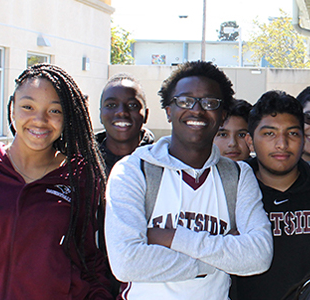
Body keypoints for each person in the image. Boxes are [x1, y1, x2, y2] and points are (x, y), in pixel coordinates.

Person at [0, 63, 114, 299]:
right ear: (12, 109)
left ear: (67, 118)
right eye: (28, 107)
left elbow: (92, 263)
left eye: (55, 111)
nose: (39, 120)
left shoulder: (81, 177)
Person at [104, 61, 272, 299]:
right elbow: (126, 263)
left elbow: (259, 256)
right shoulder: (133, 171)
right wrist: (219, 259)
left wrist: (171, 237)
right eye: (185, 101)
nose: (197, 110)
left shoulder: (237, 176)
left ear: (222, 115)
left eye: (210, 103)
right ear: (168, 110)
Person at [235, 90, 310, 299]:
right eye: (269, 133)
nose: (282, 144)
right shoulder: (230, 196)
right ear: (250, 141)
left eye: (293, 133)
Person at [96, 73, 156, 174]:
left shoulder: (162, 162)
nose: (122, 112)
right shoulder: (80, 164)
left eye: (132, 105)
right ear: (101, 114)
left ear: (146, 114)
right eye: (111, 105)